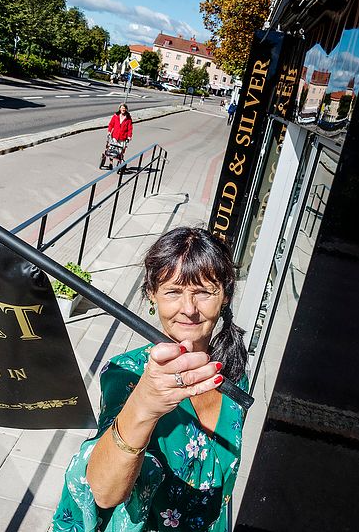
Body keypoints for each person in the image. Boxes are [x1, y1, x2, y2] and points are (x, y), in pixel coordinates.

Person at [51, 227, 248, 531]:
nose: (189, 309)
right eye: (173, 291)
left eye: (204, 292)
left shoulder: (233, 375)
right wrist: (144, 405)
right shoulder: (126, 374)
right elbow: (103, 492)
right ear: (151, 295)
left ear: (225, 296)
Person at [101, 104, 133, 170]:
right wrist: (109, 131)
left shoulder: (128, 118)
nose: (123, 110)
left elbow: (130, 129)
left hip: (123, 137)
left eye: (124, 108)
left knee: (120, 152)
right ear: (119, 109)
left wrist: (129, 137)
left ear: (126, 109)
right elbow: (111, 124)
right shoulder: (116, 116)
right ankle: (111, 164)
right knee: (111, 151)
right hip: (115, 136)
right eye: (122, 108)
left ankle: (120, 164)